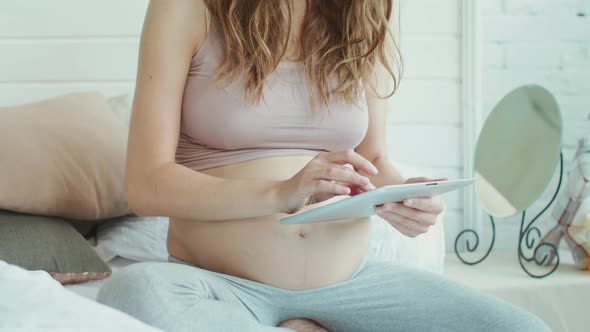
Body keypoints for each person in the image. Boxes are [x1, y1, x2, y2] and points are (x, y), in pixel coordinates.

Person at [97, 1, 551, 331]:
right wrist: (280, 193)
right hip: (215, 283)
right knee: (134, 292)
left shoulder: (365, 13)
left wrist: (405, 196)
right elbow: (146, 183)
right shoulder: (187, 8)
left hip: (350, 285)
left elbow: (372, 160)